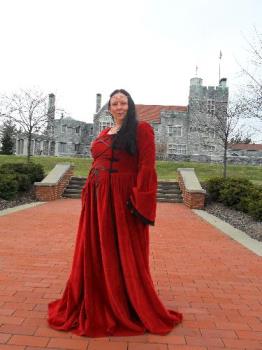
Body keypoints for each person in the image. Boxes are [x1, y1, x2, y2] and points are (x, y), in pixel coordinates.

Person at [47, 89, 182, 337]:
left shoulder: (142, 130)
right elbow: (95, 163)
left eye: (123, 102)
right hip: (98, 197)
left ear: (130, 106)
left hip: (122, 196)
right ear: (109, 108)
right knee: (97, 247)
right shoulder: (103, 132)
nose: (119, 106)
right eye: (115, 103)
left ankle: (123, 299)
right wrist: (90, 191)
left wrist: (139, 200)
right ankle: (98, 293)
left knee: (121, 247)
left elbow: (147, 166)